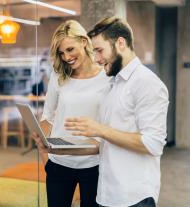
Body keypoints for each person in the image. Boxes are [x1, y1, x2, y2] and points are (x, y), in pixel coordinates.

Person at [63, 17, 169, 207]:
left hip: (133, 198)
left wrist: (100, 130)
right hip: (106, 194)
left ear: (120, 43)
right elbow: (113, 139)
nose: (96, 58)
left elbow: (152, 144)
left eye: (99, 50)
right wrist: (66, 148)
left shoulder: (147, 84)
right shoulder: (112, 83)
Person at [37, 20, 110, 207]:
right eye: (61, 53)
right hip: (59, 164)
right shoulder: (59, 75)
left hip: (94, 164)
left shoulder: (107, 76)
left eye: (70, 49)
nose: (66, 57)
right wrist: (47, 161)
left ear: (84, 42)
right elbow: (48, 117)